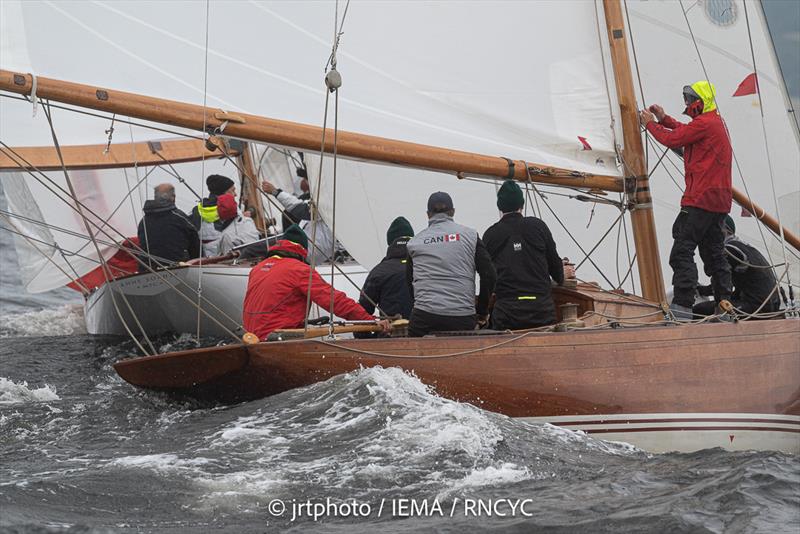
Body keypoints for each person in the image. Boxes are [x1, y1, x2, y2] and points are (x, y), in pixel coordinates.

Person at [640, 81, 733, 318]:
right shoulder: (713, 122)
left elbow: (674, 139)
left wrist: (650, 124)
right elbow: (686, 131)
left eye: (690, 100)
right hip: (719, 202)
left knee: (682, 250)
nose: (687, 104)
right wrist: (663, 119)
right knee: (714, 253)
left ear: (700, 102)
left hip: (699, 199)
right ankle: (724, 303)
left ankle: (682, 306)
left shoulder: (704, 123)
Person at [242, 224, 388, 340]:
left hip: (251, 339)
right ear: (302, 250)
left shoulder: (257, 268)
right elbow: (333, 300)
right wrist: (369, 321)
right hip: (277, 339)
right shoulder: (299, 269)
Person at [482, 180, 574, 329]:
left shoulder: (490, 235)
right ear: (522, 204)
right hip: (541, 314)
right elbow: (557, 274)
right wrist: (563, 273)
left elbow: (487, 279)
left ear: (500, 206)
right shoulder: (538, 226)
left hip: (507, 316)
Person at [405, 192, 496, 337]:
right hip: (462, 316)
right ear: (452, 211)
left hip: (424, 316)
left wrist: (422, 303)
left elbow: (409, 281)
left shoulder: (414, 243)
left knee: (415, 356)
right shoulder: (471, 236)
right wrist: (482, 311)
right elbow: (489, 275)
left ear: (428, 214)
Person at [693, 216, 781, 317]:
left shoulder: (730, 251)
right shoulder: (742, 246)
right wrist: (702, 290)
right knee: (715, 305)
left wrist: (699, 290)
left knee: (698, 309)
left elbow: (721, 283)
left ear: (723, 231)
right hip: (769, 304)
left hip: (757, 306)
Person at [261, 179, 342, 263]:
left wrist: (275, 192)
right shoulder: (331, 203)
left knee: (251, 250)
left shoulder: (328, 204)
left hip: (304, 250)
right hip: (307, 250)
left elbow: (298, 208)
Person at [359, 216, 415, 321]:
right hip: (426, 334)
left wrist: (367, 336)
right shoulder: (427, 267)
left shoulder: (378, 271)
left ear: (390, 243)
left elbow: (363, 309)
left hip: (390, 334)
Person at [136, 183, 199, 271]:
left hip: (147, 270)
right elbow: (196, 246)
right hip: (178, 268)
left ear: (155, 197)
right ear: (173, 197)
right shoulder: (180, 218)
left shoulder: (143, 221)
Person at [189, 174, 237, 257]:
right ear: (223, 193)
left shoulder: (196, 211)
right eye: (232, 190)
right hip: (230, 258)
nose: (235, 194)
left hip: (205, 260)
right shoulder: (231, 211)